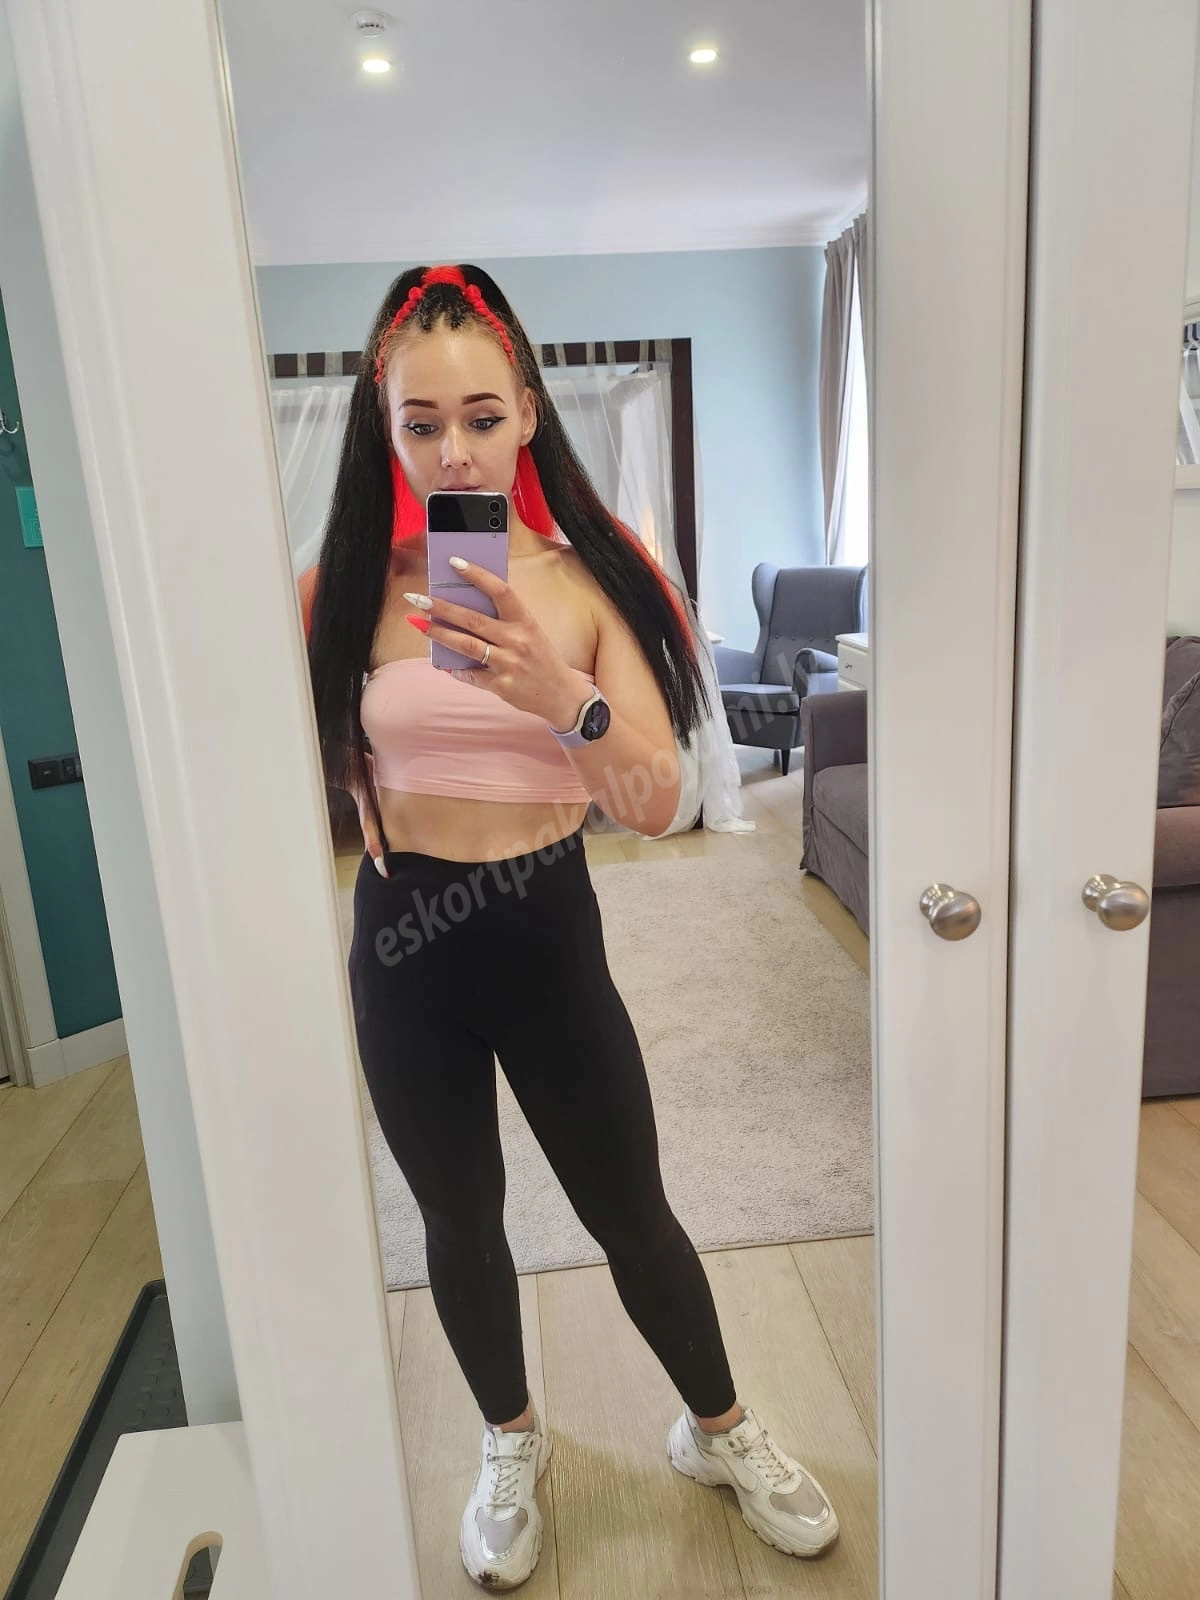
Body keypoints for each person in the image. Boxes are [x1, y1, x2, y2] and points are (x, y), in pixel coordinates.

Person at [299, 263, 839, 1591]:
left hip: (545, 927)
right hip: (404, 942)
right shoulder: (341, 588)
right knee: (458, 1220)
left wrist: (560, 696)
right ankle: (511, 1440)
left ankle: (720, 1429)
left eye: (482, 417)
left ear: (529, 414)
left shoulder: (594, 581)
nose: (453, 452)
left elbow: (654, 806)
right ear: (384, 428)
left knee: (630, 1209)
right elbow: (295, 772)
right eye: (421, 424)